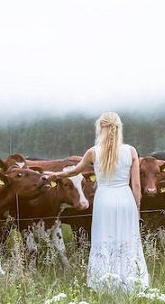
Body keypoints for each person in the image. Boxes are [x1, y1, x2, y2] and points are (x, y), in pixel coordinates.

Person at [49, 112, 149, 292]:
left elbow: (73, 171)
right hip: (126, 199)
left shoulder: (93, 152)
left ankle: (104, 284)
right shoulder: (131, 151)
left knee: (104, 240)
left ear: (100, 128)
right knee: (128, 241)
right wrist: (137, 209)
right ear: (119, 128)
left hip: (104, 200)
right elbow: (136, 184)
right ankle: (132, 282)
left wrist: (55, 175)